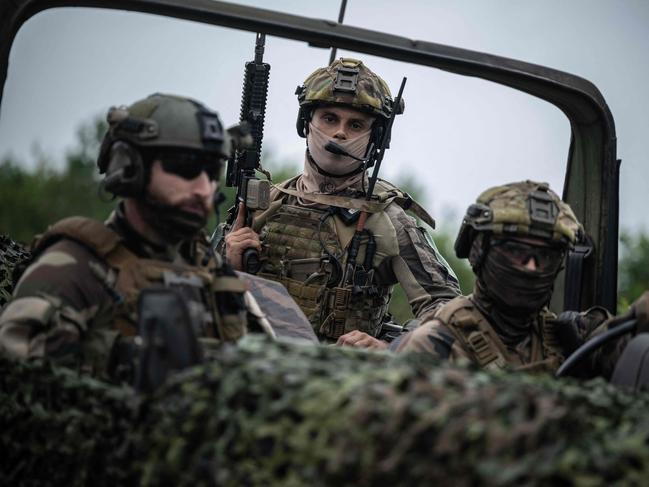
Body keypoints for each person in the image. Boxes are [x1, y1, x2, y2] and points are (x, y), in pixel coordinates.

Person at [0, 93, 297, 382]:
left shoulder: (212, 270)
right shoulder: (72, 268)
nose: (203, 188)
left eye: (210, 171)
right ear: (130, 166)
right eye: (184, 168)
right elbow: (20, 396)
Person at [223, 58, 460, 347]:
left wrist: (392, 349)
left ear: (377, 138)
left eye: (356, 124)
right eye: (329, 118)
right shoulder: (263, 202)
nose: (340, 133)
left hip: (342, 377)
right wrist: (227, 267)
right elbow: (198, 295)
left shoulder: (387, 219)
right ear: (306, 123)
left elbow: (447, 309)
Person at [396, 180, 596, 372]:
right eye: (516, 251)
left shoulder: (572, 338)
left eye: (546, 256)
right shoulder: (436, 345)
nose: (531, 267)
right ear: (478, 251)